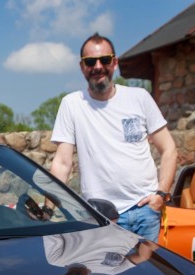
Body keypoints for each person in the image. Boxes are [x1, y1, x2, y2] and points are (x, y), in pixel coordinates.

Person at [50, 33, 177, 243]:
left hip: (145, 212)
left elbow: (169, 149)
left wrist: (161, 196)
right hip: (101, 216)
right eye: (90, 62)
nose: (98, 66)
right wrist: (48, 205)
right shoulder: (72, 104)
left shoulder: (139, 98)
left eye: (105, 60)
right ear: (82, 66)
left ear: (115, 63)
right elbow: (62, 163)